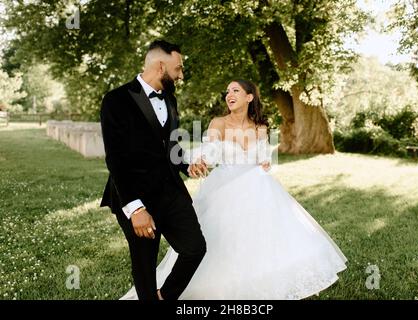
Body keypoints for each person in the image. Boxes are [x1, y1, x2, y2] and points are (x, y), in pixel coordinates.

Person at [121, 79, 347, 300]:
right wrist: (198, 161)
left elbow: (264, 158)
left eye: (236, 90)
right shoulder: (218, 123)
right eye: (227, 91)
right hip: (224, 187)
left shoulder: (261, 126)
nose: (229, 94)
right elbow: (208, 154)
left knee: (263, 237)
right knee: (216, 239)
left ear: (249, 97)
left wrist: (265, 162)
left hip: (259, 187)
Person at [100, 40, 207, 301]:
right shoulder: (116, 100)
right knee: (145, 264)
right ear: (161, 66)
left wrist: (186, 164)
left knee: (195, 248)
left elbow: (170, 144)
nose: (181, 75)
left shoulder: (169, 98)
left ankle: (165, 296)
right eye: (178, 68)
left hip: (171, 192)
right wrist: (135, 209)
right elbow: (116, 159)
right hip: (134, 195)